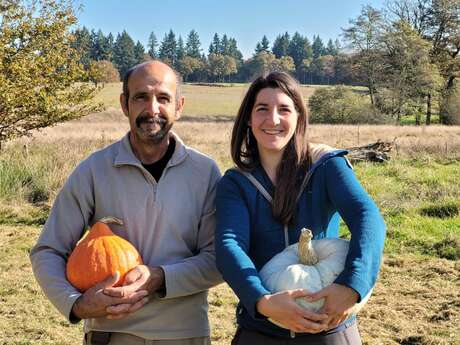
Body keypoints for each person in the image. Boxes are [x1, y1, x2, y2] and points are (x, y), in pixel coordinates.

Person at [30, 60, 222, 345]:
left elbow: (217, 259)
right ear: (124, 104)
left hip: (186, 333)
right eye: (141, 97)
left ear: (179, 106)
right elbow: (48, 250)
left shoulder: (205, 172)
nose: (152, 109)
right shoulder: (94, 170)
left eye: (163, 98)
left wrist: (159, 277)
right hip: (110, 335)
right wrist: (77, 304)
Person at [215, 72, 386, 344]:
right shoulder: (235, 183)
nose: (273, 119)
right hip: (261, 329)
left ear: (298, 118)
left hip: (328, 325)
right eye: (262, 109)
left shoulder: (327, 165)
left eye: (284, 109)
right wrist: (262, 301)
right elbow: (229, 245)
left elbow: (367, 216)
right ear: (248, 118)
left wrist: (352, 286)